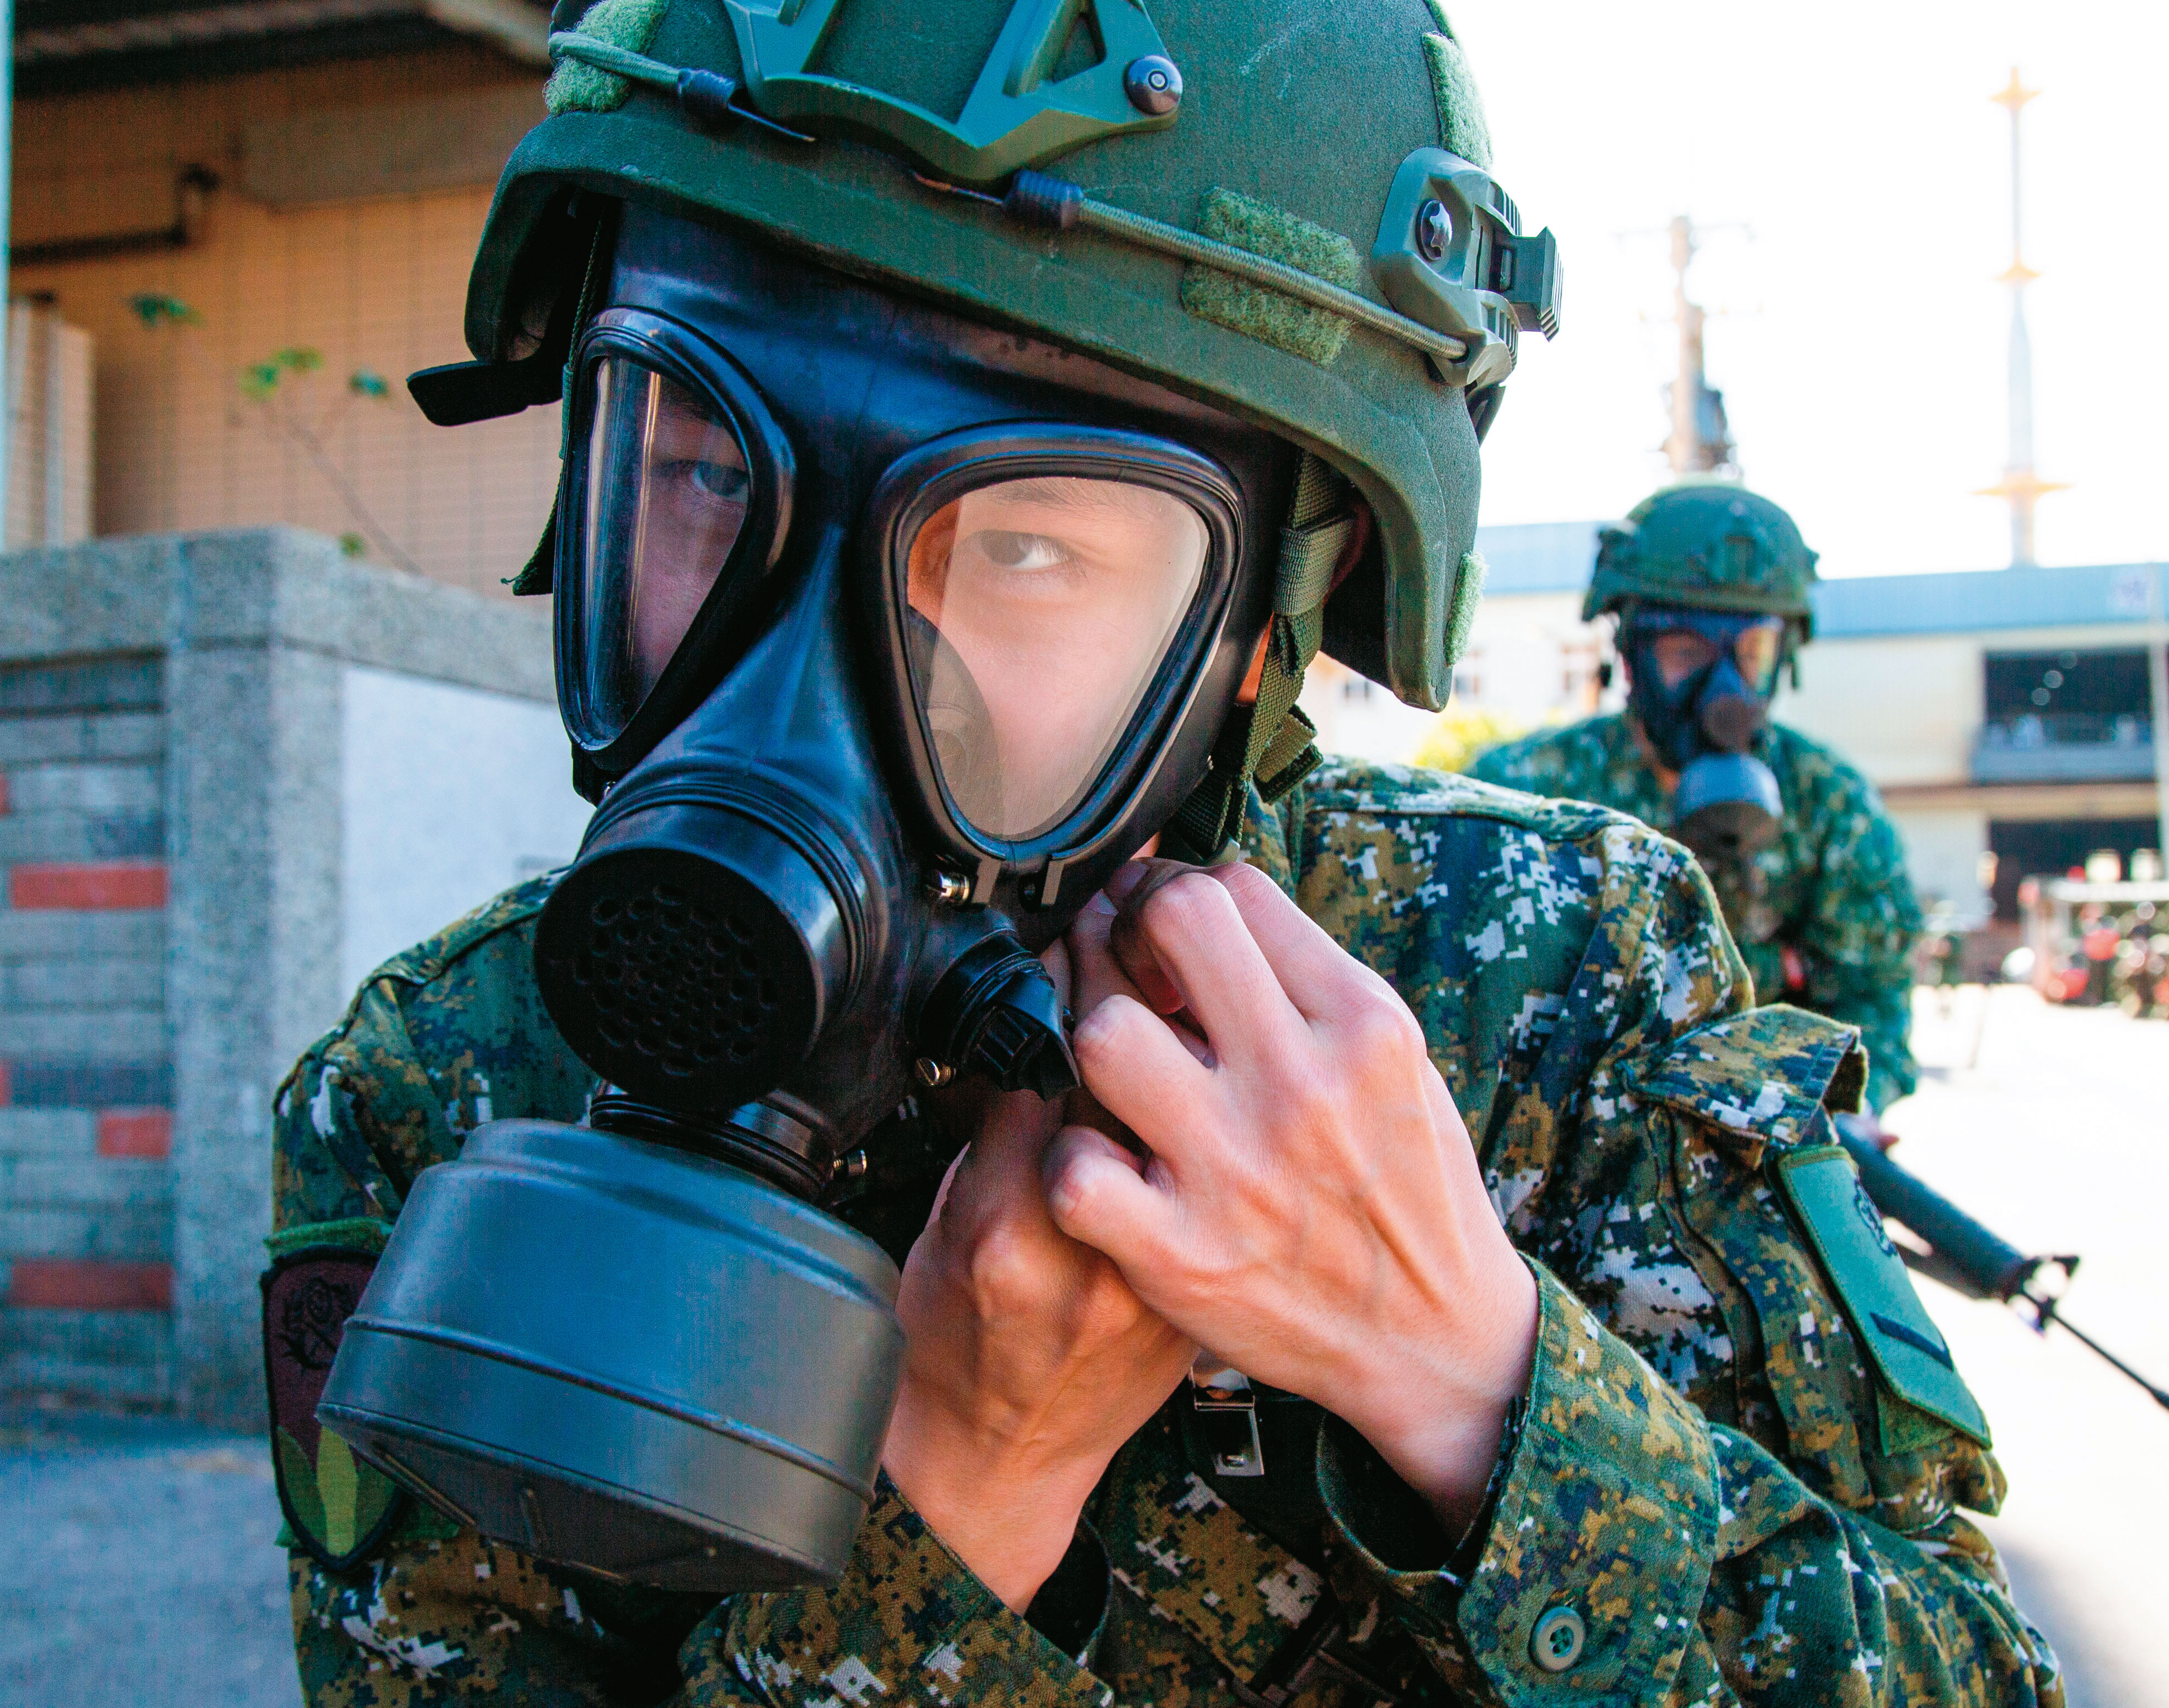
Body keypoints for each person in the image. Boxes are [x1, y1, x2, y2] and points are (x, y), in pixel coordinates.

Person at [259, 5, 2059, 1705]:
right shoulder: (437, 1093)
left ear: (1259, 632)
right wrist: (968, 1483)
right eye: (712, 473)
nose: (799, 690)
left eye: (1026, 549)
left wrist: (1466, 1371)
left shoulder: (1537, 994)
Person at [1468, 480, 1926, 1112]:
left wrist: (1837, 1117)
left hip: (1752, 1137)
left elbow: (1872, 1005)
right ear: (1629, 655)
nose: (1724, 692)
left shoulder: (1829, 805)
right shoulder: (1522, 793)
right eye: (1686, 653)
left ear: (1784, 658)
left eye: (1751, 653)